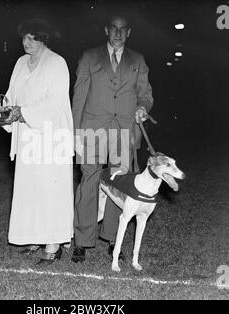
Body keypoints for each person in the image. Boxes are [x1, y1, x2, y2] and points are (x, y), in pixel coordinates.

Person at [71, 14, 154, 262]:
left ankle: (110, 238)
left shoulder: (137, 59)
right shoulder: (89, 56)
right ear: (106, 30)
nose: (118, 33)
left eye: (123, 29)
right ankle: (82, 241)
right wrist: (75, 132)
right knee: (89, 180)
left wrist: (143, 107)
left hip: (124, 130)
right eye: (114, 28)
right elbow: (78, 96)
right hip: (91, 128)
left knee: (118, 184)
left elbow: (145, 94)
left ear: (128, 33)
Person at [0, 19, 74, 264]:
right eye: (23, 38)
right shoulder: (20, 63)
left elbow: (54, 103)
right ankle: (33, 237)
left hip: (51, 136)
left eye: (31, 38)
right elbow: (11, 95)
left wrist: (22, 112)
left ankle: (54, 244)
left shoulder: (57, 62)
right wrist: (4, 110)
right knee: (30, 190)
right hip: (27, 137)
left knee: (51, 191)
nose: (25, 43)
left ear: (43, 38)